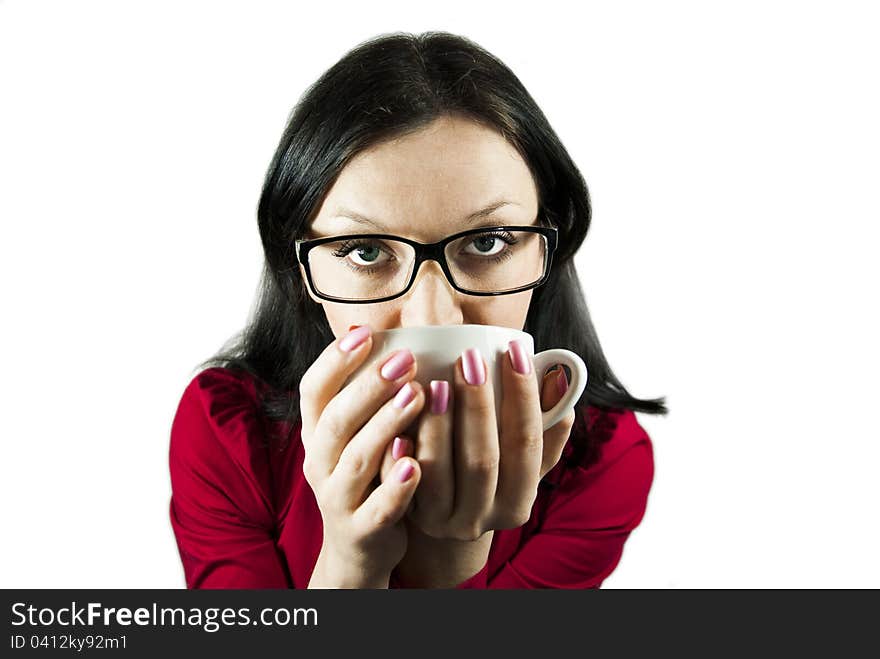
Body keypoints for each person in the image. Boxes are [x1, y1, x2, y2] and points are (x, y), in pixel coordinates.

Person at [168, 31, 667, 589]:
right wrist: (350, 566)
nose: (433, 318)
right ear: (301, 269)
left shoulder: (602, 461)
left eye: (488, 242)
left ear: (548, 246)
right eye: (366, 251)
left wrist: (445, 576)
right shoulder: (224, 432)